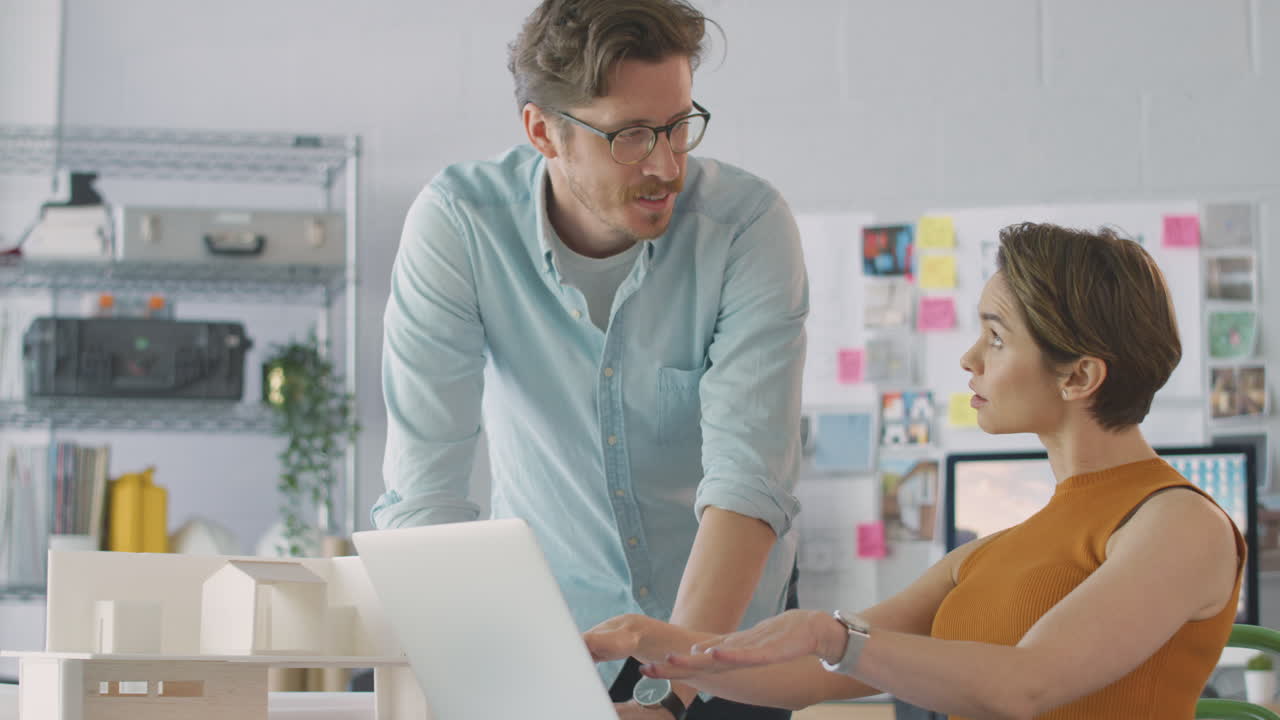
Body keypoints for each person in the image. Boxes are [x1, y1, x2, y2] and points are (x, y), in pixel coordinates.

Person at [586, 222, 1245, 719]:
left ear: (1079, 375)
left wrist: (833, 635)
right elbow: (817, 674)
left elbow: (1029, 682)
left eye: (995, 336)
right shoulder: (993, 554)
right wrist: (652, 641)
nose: (968, 359)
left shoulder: (1181, 524)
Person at [373, 1, 808, 718]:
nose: (666, 165)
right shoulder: (460, 226)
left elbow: (748, 480)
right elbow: (428, 491)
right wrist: (460, 683)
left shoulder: (746, 228)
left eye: (677, 127)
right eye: (632, 136)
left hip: (727, 638)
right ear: (544, 131)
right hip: (555, 639)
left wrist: (669, 699)